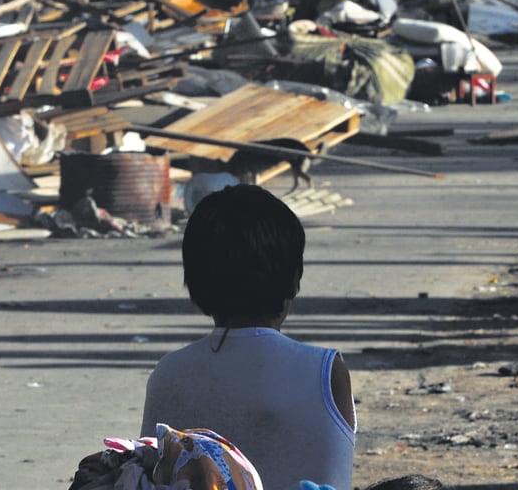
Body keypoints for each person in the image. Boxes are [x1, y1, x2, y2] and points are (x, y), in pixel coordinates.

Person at [139, 184, 356, 490]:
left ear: (195, 283)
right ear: (294, 279)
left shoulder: (168, 373)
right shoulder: (324, 372)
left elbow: (145, 473)